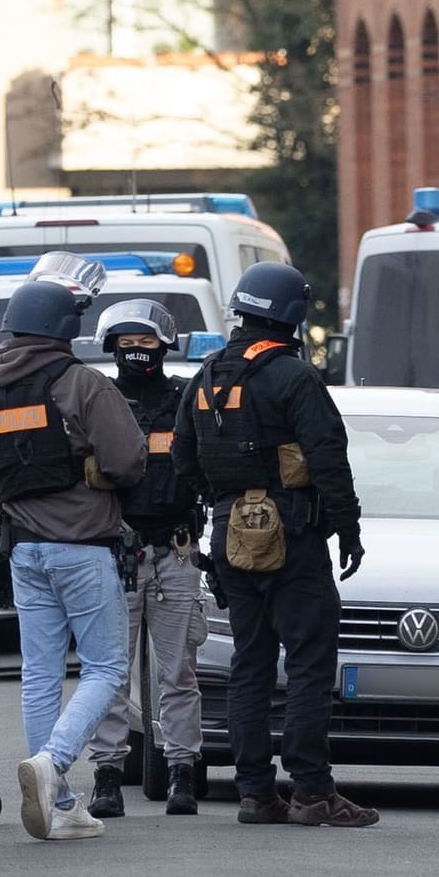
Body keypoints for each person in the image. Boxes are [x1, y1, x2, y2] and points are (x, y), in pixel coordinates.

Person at [171, 262, 377, 829]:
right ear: (290, 315)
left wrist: (221, 507)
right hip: (294, 537)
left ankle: (256, 794)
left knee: (250, 665)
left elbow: (184, 462)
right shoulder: (293, 377)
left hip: (232, 540)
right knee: (309, 665)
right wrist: (349, 529)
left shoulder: (206, 378)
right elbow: (329, 458)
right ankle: (311, 792)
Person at [0, 260, 147, 842]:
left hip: (24, 554)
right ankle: (54, 764)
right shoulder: (83, 383)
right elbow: (128, 460)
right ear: (66, 328)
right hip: (84, 550)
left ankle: (60, 804)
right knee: (108, 665)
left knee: (40, 674)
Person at [85, 300, 208, 818]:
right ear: (112, 347)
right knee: (110, 673)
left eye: (148, 343)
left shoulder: (186, 399)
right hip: (115, 552)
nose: (138, 352)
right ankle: (108, 776)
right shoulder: (97, 401)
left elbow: (208, 467)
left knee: (178, 671)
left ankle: (183, 771)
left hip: (177, 552)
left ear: (166, 346)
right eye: (128, 343)